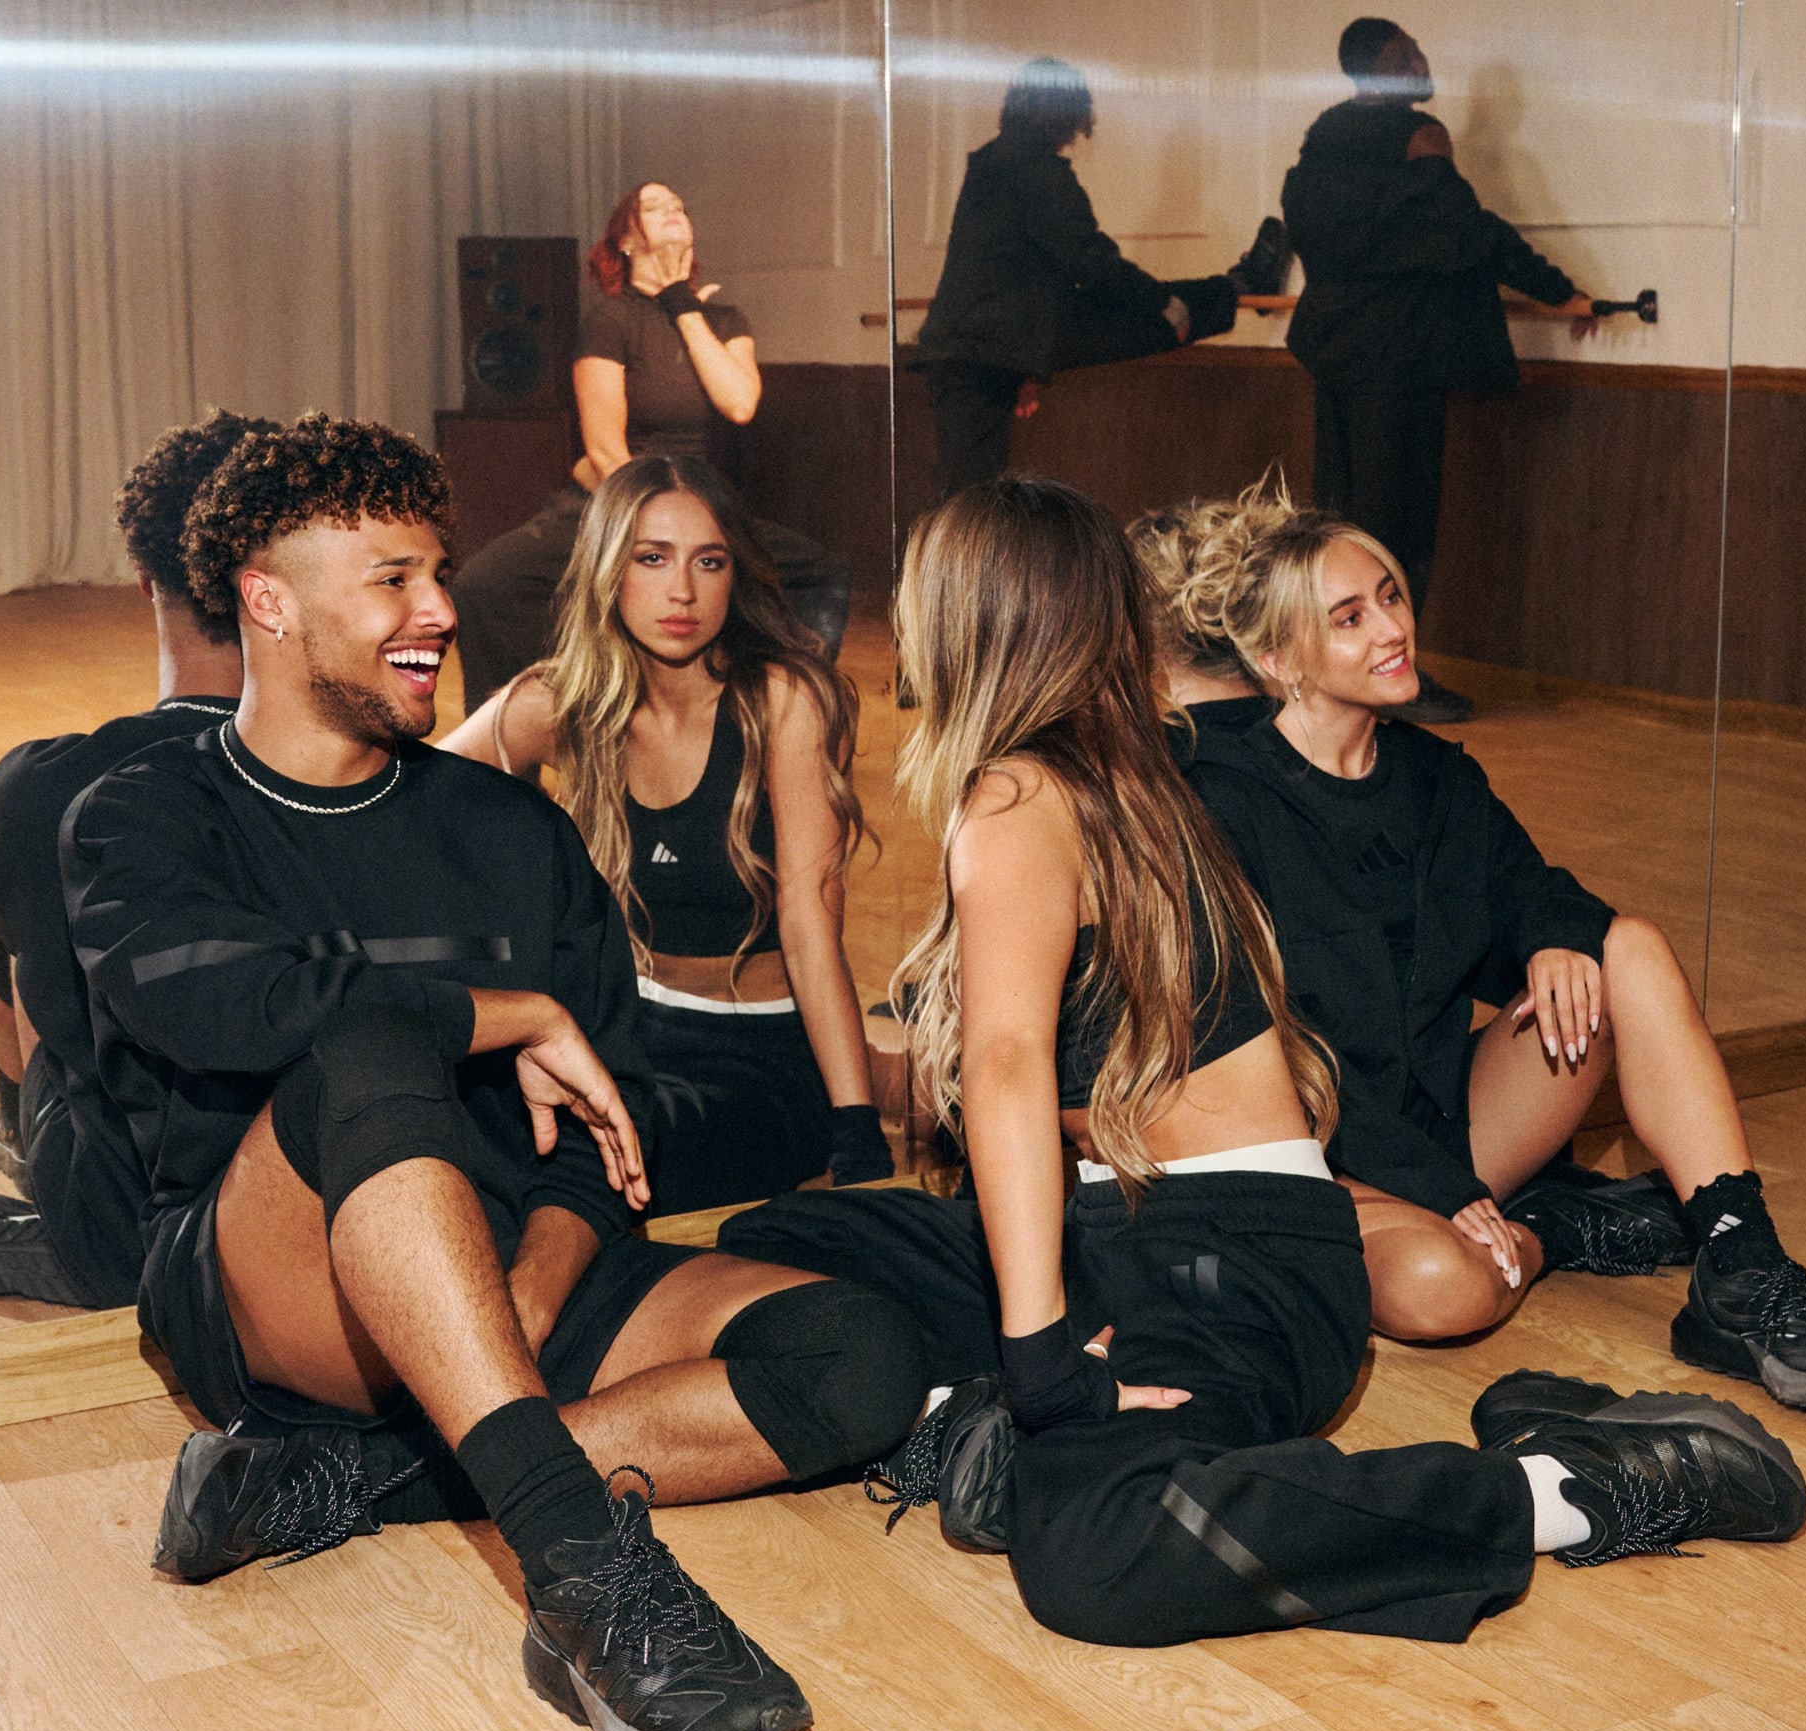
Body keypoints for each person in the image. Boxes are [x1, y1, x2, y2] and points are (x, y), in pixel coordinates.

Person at [718, 473, 1806, 1651]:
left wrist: (1039, 1364)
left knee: (1093, 1550)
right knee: (781, 1239)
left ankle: (1563, 1484)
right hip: (1137, 1222)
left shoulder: (1022, 794)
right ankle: (969, 1421)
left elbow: (1006, 1065)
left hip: (1238, 1259)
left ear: (960, 623)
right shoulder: (1116, 768)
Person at [62, 414, 941, 1731]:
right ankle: (584, 1574)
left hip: (502, 1241)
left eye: (437, 571)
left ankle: (359, 1482)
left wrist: (539, 1272)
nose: (437, 610)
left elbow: (609, 1101)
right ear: (270, 602)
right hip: (276, 1281)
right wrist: (498, 1013)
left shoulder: (509, 832)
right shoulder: (145, 811)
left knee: (858, 1354)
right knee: (366, 1054)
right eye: (393, 580)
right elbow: (227, 1006)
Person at [1145, 483, 1806, 1412]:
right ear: (1278, 660)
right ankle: (1554, 1224)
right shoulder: (1217, 798)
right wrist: (1438, 1188)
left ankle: (1744, 1264)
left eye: (1391, 595)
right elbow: (1274, 1051)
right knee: (1444, 1292)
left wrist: (1551, 939)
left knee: (1624, 949)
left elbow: (1536, 890)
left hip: (1441, 1123)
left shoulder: (1434, 776)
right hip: (1313, 1151)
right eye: (1349, 618)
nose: (1392, 628)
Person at [444, 456, 892, 1213]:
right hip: (621, 1032)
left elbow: (811, 927)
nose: (682, 591)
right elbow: (413, 794)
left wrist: (856, 1127)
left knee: (612, 1149)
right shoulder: (566, 701)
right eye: (652, 559)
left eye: (708, 562)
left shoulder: (783, 702)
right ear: (608, 571)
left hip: (756, 1059)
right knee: (468, 1128)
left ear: (735, 576)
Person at [0, 410, 271, 1310]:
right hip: (310, 1170)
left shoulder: (52, 788)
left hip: (137, 1200)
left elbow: (6, 887)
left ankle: (69, 1207)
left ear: (145, 579)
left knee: (20, 932)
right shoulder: (365, 769)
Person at [1282, 18, 1598, 724]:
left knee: (1339, 520)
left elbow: (1333, 243)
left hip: (1336, 355)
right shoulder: (1417, 139)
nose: (1421, 64)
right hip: (1401, 360)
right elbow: (1470, 235)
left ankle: (1335, 674)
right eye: (1403, 58)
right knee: (1398, 531)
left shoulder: (1320, 144)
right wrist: (1560, 290)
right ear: (1372, 70)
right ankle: (1394, 681)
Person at [450, 182, 852, 711]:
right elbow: (604, 449)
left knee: (821, 574)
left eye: (680, 206)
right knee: (485, 584)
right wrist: (653, 525)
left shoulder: (724, 321)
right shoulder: (611, 320)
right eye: (654, 207)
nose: (672, 212)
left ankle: (782, 718)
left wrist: (681, 304)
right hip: (613, 498)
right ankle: (515, 738)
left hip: (698, 504)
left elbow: (739, 404)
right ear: (625, 241)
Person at [914, 57, 1286, 504]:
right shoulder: (1040, 173)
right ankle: (1241, 284)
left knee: (966, 490)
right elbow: (1091, 263)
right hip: (987, 348)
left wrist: (1023, 367)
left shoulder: (991, 164)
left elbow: (1011, 272)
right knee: (967, 497)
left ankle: (1237, 284)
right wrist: (1162, 302)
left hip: (969, 346)